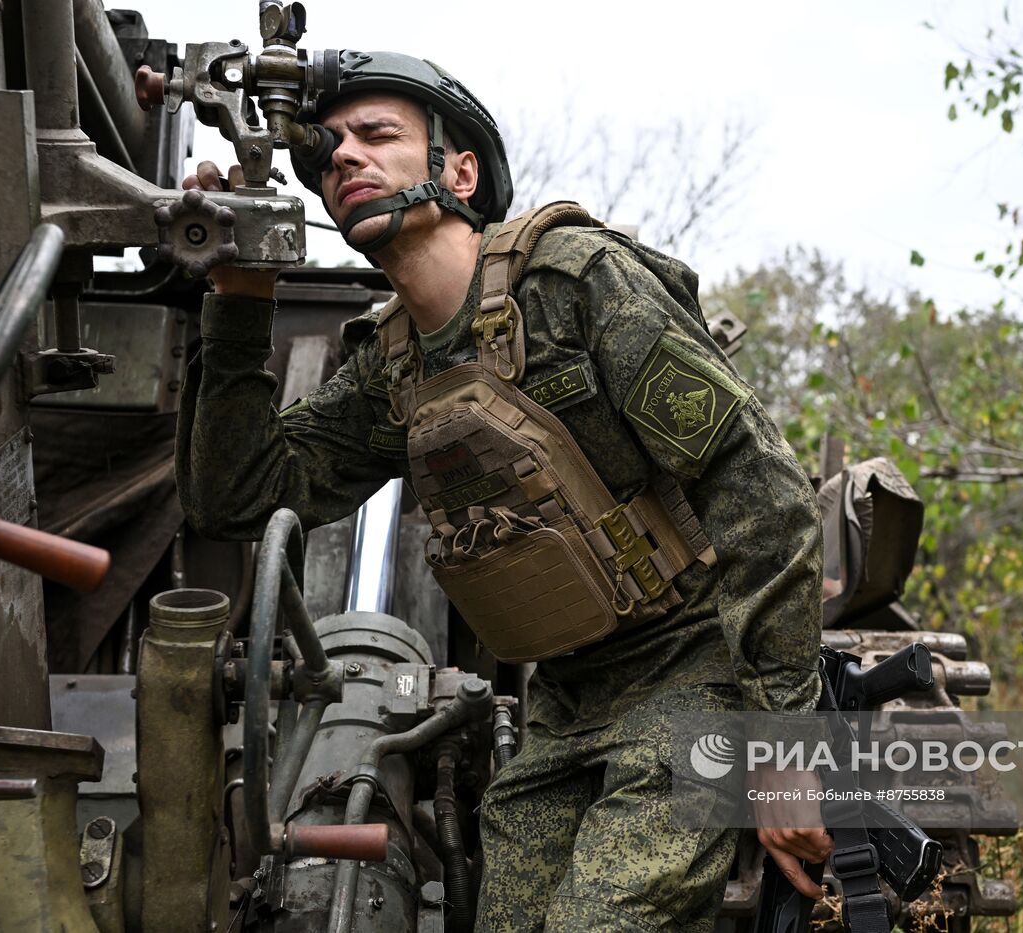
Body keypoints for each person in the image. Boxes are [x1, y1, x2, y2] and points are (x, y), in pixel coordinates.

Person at [176, 51, 831, 931]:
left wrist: (784, 747)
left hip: (701, 677)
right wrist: (239, 289)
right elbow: (239, 494)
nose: (346, 161)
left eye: (378, 137)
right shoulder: (393, 367)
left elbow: (765, 493)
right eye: (330, 154)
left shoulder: (572, 284)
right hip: (563, 706)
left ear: (459, 170)